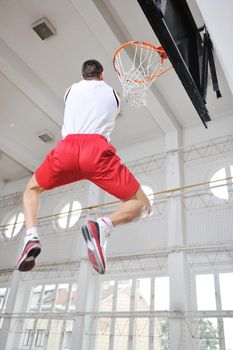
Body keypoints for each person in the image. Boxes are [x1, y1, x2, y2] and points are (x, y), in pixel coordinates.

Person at [17, 59, 152, 274]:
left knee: (32, 189)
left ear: (82, 76)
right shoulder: (115, 95)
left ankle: (31, 235)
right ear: (102, 75)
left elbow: (77, 96)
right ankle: (103, 226)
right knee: (144, 206)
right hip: (97, 152)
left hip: (67, 150)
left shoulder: (70, 90)